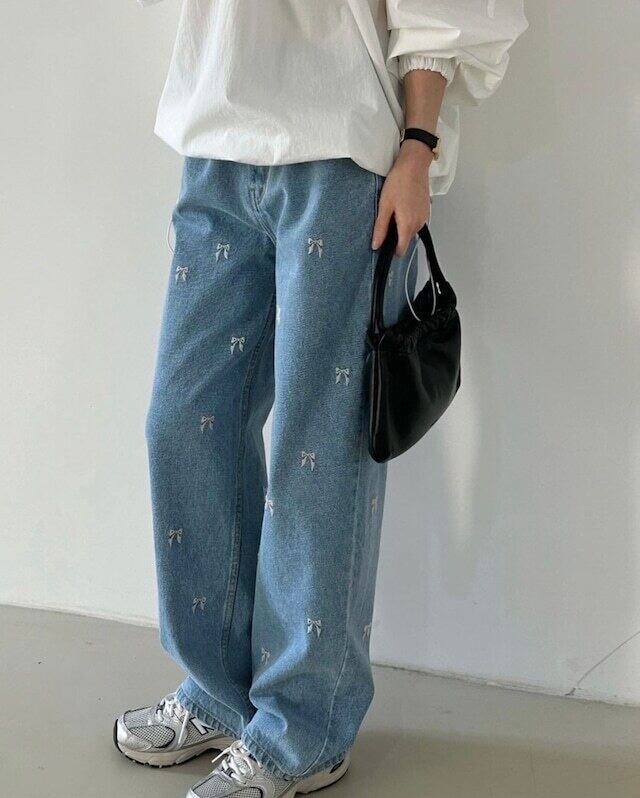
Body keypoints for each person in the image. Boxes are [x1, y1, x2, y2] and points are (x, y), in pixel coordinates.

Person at [114, 2, 527, 796]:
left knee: (319, 447)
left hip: (344, 148)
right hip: (217, 139)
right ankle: (220, 691)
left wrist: (418, 146)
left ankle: (304, 728)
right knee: (181, 422)